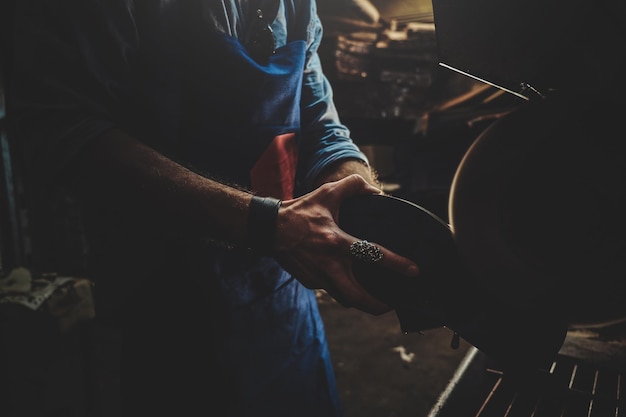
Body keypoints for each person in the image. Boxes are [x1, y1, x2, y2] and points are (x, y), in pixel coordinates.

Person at [8, 1, 420, 416]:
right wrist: (266, 224)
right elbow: (64, 133)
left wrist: (355, 193)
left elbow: (317, 118)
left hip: (284, 302)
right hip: (164, 315)